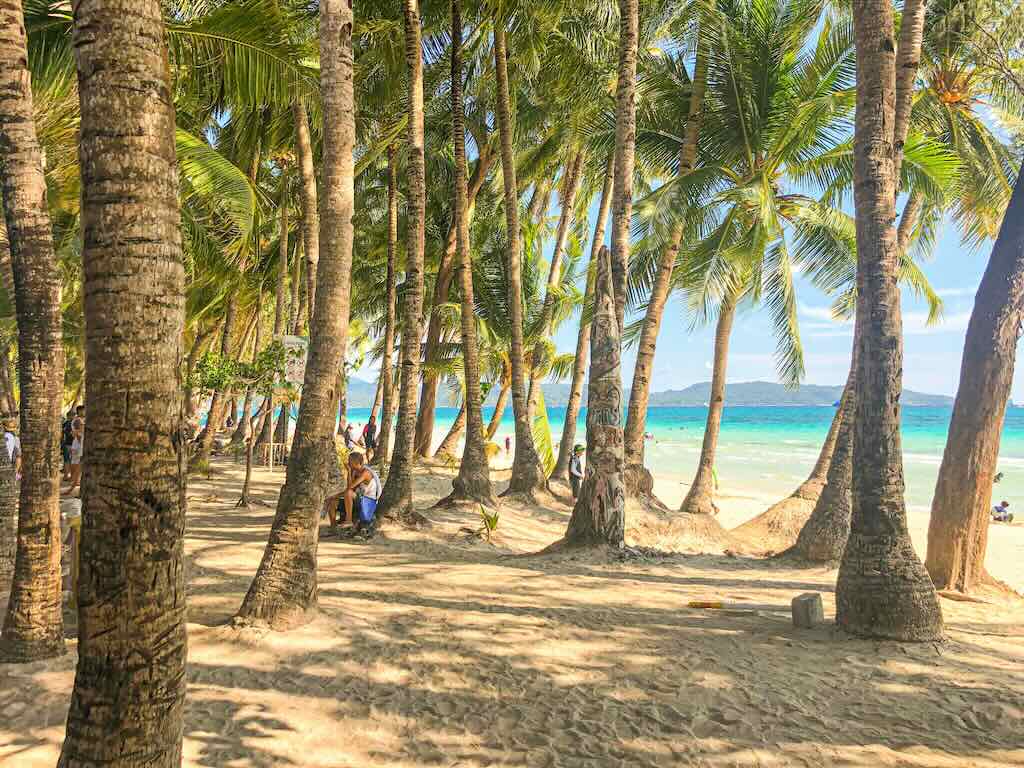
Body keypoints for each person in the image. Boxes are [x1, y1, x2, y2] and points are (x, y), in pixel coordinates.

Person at [324, 452, 381, 537]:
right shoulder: (355, 472)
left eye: (350, 462)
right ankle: (333, 527)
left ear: (358, 463)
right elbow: (349, 487)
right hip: (358, 498)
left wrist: (349, 471)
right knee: (333, 501)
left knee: (348, 493)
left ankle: (349, 520)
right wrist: (335, 496)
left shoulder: (366, 473)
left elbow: (350, 489)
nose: (348, 463)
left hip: (367, 501)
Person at [66, 405, 85, 496]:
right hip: (79, 446)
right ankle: (73, 486)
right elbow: (76, 434)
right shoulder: (77, 421)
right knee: (77, 467)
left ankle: (73, 487)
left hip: (80, 446)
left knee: (78, 467)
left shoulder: (79, 421)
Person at [61, 409, 75, 479]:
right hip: (68, 444)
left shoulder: (71, 423)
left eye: (73, 415)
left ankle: (69, 475)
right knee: (68, 460)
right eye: (71, 415)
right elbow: (62, 433)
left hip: (70, 444)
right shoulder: (66, 423)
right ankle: (67, 475)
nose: (72, 417)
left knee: (69, 460)